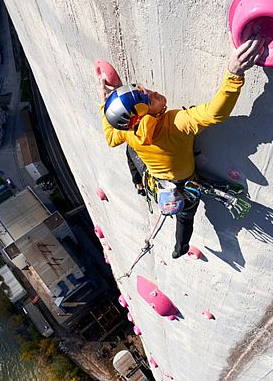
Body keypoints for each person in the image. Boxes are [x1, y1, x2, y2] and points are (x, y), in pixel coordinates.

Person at [100, 36, 263, 258]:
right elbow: (215, 113)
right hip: (184, 182)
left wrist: (106, 103)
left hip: (156, 180)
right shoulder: (176, 123)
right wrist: (234, 74)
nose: (154, 93)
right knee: (186, 215)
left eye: (147, 91)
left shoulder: (127, 131)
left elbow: (110, 138)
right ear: (143, 116)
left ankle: (139, 185)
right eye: (150, 100)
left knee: (131, 151)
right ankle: (181, 247)